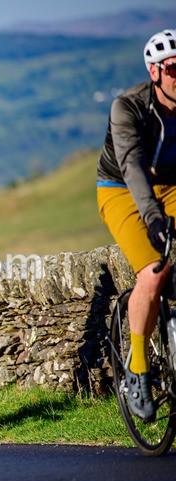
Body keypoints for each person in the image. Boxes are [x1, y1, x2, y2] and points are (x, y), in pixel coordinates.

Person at [97, 29, 176, 421]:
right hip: (122, 188)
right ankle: (138, 369)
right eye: (173, 69)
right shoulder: (127, 107)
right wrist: (153, 220)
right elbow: (132, 168)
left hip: (171, 183)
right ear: (155, 72)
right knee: (153, 271)